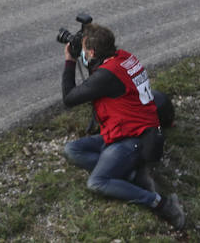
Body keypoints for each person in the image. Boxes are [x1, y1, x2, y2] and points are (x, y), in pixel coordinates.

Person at [61, 22, 186, 230]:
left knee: (97, 182)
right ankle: (132, 176)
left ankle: (161, 203)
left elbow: (69, 98)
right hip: (123, 130)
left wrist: (69, 61)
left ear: (92, 52)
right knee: (72, 149)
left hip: (133, 139)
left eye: (83, 49)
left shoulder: (106, 75)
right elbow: (100, 77)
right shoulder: (123, 57)